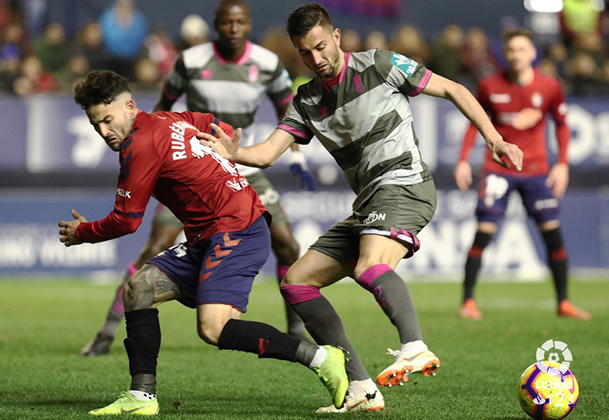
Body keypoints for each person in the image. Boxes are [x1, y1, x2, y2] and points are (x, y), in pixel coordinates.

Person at [198, 2, 524, 413]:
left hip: (405, 185)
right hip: (368, 203)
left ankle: (415, 347)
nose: (316, 59)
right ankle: (360, 386)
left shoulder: (382, 65)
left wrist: (493, 139)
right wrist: (234, 151)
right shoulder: (308, 100)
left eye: (321, 47)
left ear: (336, 37)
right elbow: (266, 154)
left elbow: (455, 89)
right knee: (297, 281)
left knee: (369, 265)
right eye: (305, 53)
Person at [59, 69, 348, 415]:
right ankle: (141, 397)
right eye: (95, 125)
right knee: (139, 290)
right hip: (210, 234)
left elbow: (127, 220)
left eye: (107, 120)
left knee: (213, 329)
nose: (104, 132)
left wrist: (83, 233)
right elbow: (212, 123)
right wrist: (225, 147)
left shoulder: (141, 144)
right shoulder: (171, 120)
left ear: (130, 106)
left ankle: (321, 357)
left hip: (236, 230)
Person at [80, 0, 314, 357]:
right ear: (216, 25)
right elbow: (165, 102)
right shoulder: (190, 61)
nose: (233, 29)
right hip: (181, 162)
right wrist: (156, 145)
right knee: (153, 248)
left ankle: (298, 332)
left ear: (248, 24)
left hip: (238, 162)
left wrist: (294, 153)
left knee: (286, 243)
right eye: (226, 23)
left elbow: (287, 106)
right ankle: (107, 331)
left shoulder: (267, 63)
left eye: (240, 22)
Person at [454, 28, 591, 321]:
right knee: (484, 232)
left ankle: (564, 302)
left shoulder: (550, 86)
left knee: (553, 235)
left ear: (532, 53)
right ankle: (467, 301)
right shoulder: (489, 85)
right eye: (511, 50)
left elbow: (562, 125)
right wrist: (463, 160)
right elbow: (473, 122)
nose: (516, 55)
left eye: (521, 49)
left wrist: (563, 163)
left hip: (536, 171)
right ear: (505, 54)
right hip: (498, 170)